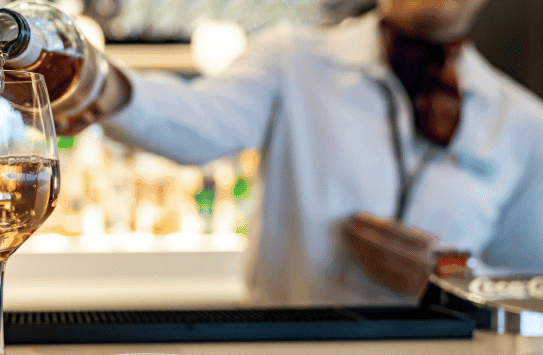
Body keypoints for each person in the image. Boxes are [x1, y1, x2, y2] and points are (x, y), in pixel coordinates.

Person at [99, 0, 543, 306]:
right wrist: (99, 84)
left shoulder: (523, 122)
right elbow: (198, 123)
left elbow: (527, 284)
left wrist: (447, 276)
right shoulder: (293, 57)